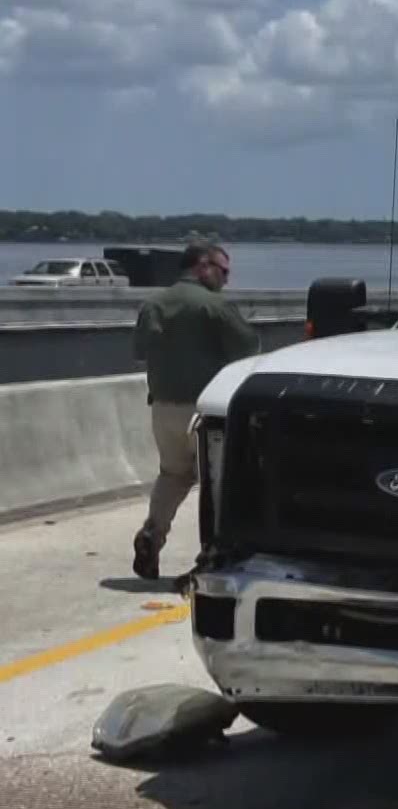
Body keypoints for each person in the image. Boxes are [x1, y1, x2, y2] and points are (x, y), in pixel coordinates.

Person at [130, 241, 259, 579]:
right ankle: (209, 556)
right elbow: (249, 347)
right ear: (204, 267)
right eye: (223, 271)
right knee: (218, 484)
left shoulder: (153, 303)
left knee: (172, 474)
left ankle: (152, 535)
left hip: (162, 408)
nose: (227, 280)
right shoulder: (214, 305)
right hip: (204, 412)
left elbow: (140, 350)